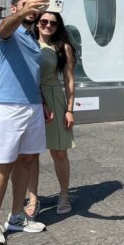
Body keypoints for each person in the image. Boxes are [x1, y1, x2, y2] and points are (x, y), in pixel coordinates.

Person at [0, 0, 52, 245]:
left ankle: (16, 216)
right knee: (4, 163)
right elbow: (3, 27)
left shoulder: (32, 38)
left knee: (28, 160)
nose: (32, 8)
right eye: (25, 4)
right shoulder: (5, 31)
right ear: (14, 8)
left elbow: (32, 74)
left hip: (31, 106)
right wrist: (23, 12)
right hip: (8, 106)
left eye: (35, 5)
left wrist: (42, 102)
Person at [25, 11, 76, 216]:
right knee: (31, 154)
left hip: (54, 98)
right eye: (43, 21)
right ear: (37, 24)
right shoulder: (28, 44)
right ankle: (33, 197)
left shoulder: (62, 47)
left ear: (58, 26)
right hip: (31, 98)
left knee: (59, 151)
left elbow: (70, 80)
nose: (48, 25)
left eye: (53, 23)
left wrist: (70, 109)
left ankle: (64, 194)